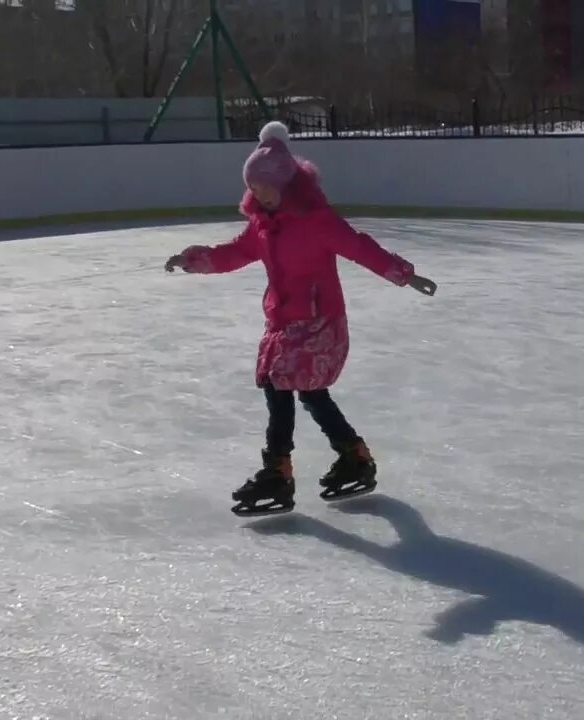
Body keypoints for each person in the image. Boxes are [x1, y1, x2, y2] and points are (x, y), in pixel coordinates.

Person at [165, 121, 436, 516]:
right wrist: (193, 260)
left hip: (318, 321)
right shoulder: (261, 226)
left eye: (266, 189)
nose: (260, 196)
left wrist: (405, 275)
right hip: (283, 321)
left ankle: (278, 470)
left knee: (280, 386)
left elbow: (360, 248)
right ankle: (354, 456)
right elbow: (233, 254)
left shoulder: (316, 219)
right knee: (307, 392)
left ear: (287, 184)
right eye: (254, 190)